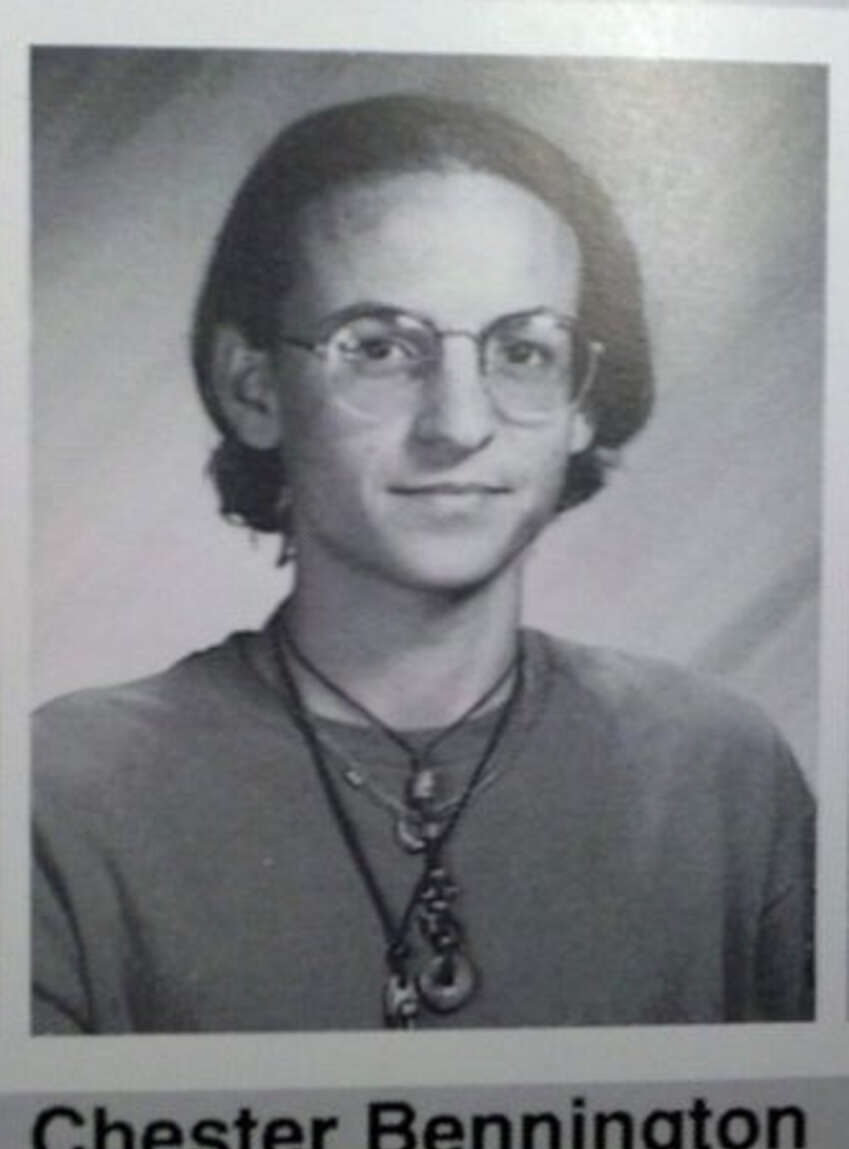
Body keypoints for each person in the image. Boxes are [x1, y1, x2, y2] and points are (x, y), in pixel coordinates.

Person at [32, 94, 814, 1033]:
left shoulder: (717, 771)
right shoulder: (65, 791)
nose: (458, 424)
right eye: (379, 348)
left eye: (522, 350)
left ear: (581, 404)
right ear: (254, 389)